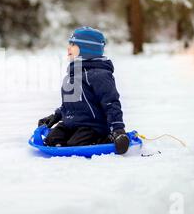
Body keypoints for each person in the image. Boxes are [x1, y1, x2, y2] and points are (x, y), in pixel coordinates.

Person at [37, 26, 130, 154]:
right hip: (71, 123)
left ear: (87, 48)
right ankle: (63, 143)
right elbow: (70, 104)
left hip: (93, 126)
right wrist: (55, 116)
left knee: (77, 143)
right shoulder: (72, 75)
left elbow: (111, 103)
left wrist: (118, 130)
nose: (68, 48)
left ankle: (106, 139)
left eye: (73, 44)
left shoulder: (99, 75)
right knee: (52, 139)